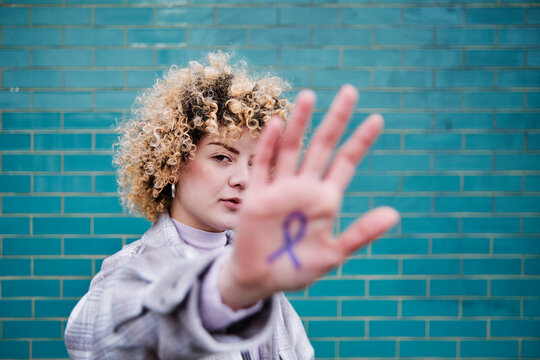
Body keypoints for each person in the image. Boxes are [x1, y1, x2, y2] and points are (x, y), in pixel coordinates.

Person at [64, 51, 399, 359]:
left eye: (256, 163)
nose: (244, 179)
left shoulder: (260, 271)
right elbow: (93, 337)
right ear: (173, 163)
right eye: (222, 157)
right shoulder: (129, 269)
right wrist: (227, 289)